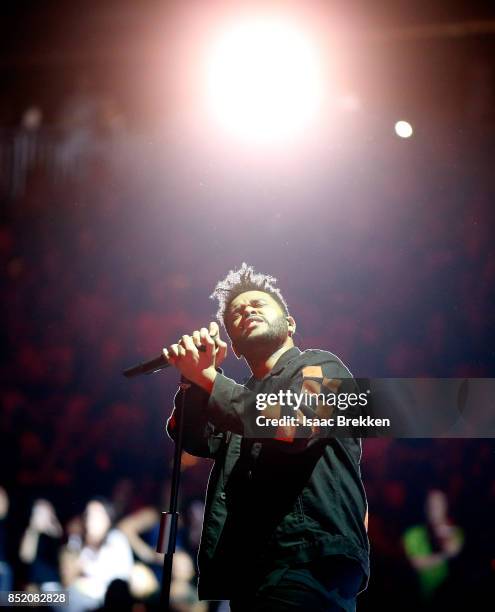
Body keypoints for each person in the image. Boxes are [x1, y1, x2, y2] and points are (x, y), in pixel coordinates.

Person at [165, 263, 369, 611]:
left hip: (307, 562)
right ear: (236, 347)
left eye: (258, 303)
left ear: (290, 324)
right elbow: (194, 438)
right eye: (236, 314)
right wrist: (194, 380)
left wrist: (211, 380)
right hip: (253, 574)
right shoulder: (239, 398)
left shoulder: (322, 365)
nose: (246, 311)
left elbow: (295, 425)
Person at [403, 489, 463, 607]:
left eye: (439, 503)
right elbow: (416, 564)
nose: (435, 508)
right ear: (425, 506)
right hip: (420, 598)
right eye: (431, 503)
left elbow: (455, 549)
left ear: (447, 506)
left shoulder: (456, 532)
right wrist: (445, 554)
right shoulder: (412, 534)